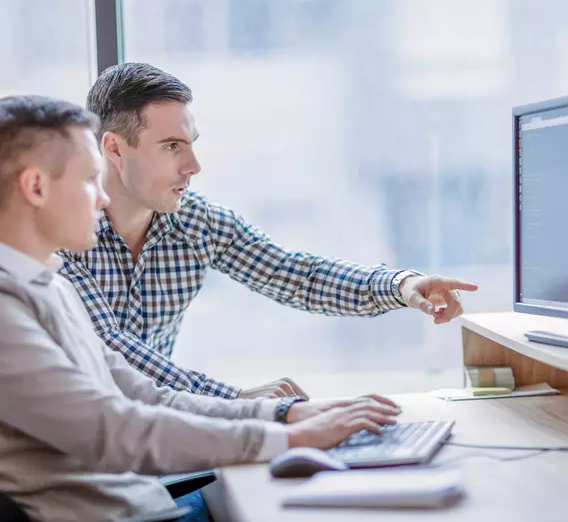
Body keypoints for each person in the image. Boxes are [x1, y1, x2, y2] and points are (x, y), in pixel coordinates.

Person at [0, 94, 402, 522]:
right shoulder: (8, 313)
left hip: (149, 502)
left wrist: (284, 414)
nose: (101, 200)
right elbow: (114, 428)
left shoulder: (49, 285)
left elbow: (146, 395)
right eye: (88, 181)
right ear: (36, 187)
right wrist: (291, 440)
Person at [58, 62, 478, 400]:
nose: (193, 166)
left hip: (157, 438)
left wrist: (400, 284)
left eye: (191, 143)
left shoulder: (196, 222)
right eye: (172, 146)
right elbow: (110, 350)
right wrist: (235, 400)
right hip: (80, 450)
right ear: (114, 148)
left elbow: (296, 275)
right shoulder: (62, 234)